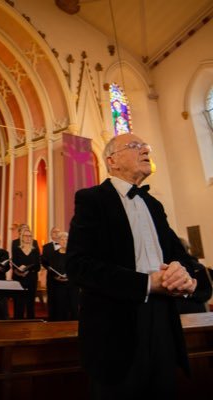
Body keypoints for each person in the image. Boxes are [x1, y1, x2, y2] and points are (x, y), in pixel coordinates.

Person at [66, 133, 199, 400]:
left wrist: (185, 277)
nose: (145, 150)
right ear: (112, 160)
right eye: (136, 146)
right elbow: (79, 265)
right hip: (117, 326)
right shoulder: (92, 199)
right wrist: (148, 283)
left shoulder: (154, 204)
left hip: (163, 323)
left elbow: (181, 257)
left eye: (146, 146)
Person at [46, 231, 79, 321]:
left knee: (73, 307)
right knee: (60, 308)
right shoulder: (53, 255)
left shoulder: (73, 254)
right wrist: (56, 277)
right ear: (58, 241)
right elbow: (51, 270)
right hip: (59, 285)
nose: (64, 241)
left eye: (66, 239)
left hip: (72, 286)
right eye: (62, 239)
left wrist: (69, 276)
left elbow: (77, 268)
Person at [175, 238, 212, 314]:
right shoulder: (170, 266)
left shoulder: (197, 267)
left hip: (195, 312)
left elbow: (206, 293)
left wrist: (189, 294)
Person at [11, 228, 40, 319]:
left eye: (30, 236)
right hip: (19, 279)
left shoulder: (35, 250)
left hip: (31, 278)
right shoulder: (16, 249)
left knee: (30, 302)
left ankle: (31, 322)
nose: (28, 238)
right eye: (25, 236)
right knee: (19, 302)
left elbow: (38, 266)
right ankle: (17, 322)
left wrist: (29, 270)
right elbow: (14, 265)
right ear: (21, 237)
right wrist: (18, 272)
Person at [41, 226, 61, 320]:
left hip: (65, 279)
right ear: (51, 235)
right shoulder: (46, 247)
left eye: (58, 232)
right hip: (51, 278)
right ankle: (52, 318)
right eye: (54, 232)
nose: (56, 234)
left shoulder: (66, 245)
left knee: (62, 299)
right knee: (52, 298)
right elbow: (44, 261)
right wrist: (49, 269)